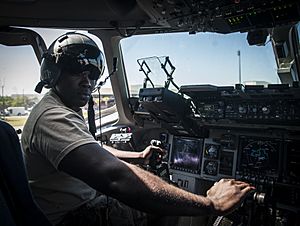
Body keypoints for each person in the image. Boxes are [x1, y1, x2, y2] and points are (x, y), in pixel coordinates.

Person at [21, 32, 255, 226]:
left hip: (78, 203)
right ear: (52, 74)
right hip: (72, 217)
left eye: (92, 73)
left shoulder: (63, 108)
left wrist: (139, 156)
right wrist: (211, 204)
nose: (88, 82)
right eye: (76, 70)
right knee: (172, 205)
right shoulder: (53, 116)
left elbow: (91, 150)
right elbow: (114, 178)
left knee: (165, 194)